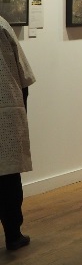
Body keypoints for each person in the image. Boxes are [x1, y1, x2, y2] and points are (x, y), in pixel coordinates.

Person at [0, 15, 35, 250]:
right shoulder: (2, 25)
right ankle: (13, 233)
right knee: (8, 177)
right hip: (6, 112)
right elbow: (24, 76)